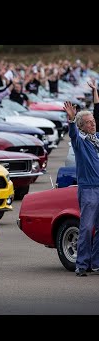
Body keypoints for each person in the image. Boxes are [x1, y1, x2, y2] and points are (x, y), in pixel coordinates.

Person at [63, 100, 99, 276]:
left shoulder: (97, 138)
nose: (93, 124)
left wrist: (95, 95)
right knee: (86, 227)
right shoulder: (80, 141)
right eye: (89, 122)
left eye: (93, 121)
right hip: (89, 189)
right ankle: (82, 265)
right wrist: (70, 121)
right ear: (82, 126)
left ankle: (96, 262)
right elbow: (73, 135)